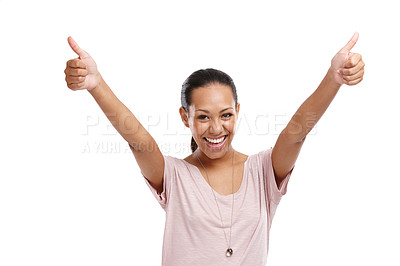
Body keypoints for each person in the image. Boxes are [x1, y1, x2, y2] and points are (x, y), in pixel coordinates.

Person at [64, 33, 365, 266]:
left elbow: (297, 132)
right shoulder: (175, 175)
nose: (216, 128)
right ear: (186, 118)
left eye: (225, 115)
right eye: (203, 117)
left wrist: (333, 79)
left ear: (237, 111)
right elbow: (138, 140)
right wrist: (96, 84)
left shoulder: (262, 171)